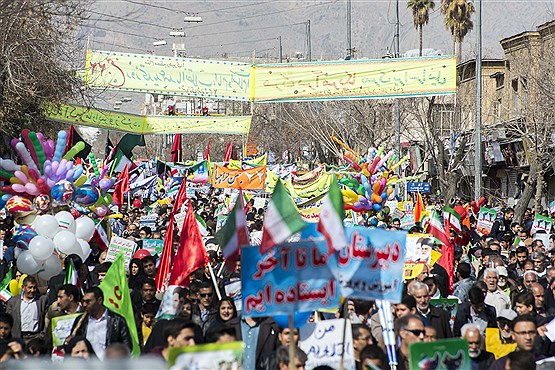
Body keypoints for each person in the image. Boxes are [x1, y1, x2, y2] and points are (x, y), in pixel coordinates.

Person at [69, 287, 132, 360]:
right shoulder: (80, 321)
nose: (84, 304)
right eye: (83, 301)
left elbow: (127, 346)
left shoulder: (117, 321)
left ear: (99, 300)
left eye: (88, 301)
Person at [6, 276, 48, 343]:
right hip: (19, 338)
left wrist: (42, 335)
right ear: (23, 287)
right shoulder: (13, 301)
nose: (32, 290)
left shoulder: (42, 300)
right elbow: (7, 320)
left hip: (36, 338)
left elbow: (47, 319)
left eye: (34, 287)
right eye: (30, 287)